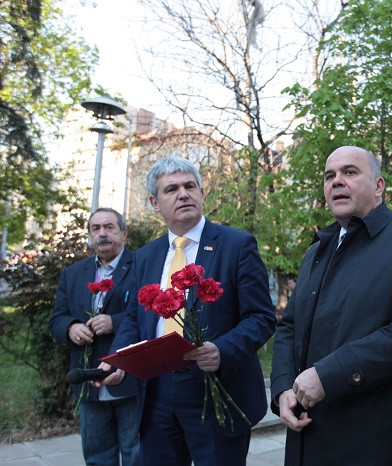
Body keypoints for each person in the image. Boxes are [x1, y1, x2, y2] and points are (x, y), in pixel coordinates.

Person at [96, 156, 276, 465]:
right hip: (157, 394)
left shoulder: (237, 245)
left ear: (202, 194)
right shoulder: (146, 256)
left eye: (190, 186)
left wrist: (222, 350)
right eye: (172, 189)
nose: (183, 194)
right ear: (155, 203)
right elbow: (134, 318)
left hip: (216, 388)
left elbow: (261, 318)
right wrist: (119, 358)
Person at [271, 146, 392, 465]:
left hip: (372, 441)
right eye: (329, 176)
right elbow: (289, 326)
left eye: (349, 172)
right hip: (307, 435)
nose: (336, 181)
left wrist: (328, 376)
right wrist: (281, 389)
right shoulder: (317, 250)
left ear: (378, 186)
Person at [48, 207, 139, 466]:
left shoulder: (142, 266)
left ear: (124, 233)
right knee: (97, 457)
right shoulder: (73, 273)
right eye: (95, 228)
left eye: (109, 227)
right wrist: (70, 328)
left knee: (136, 454)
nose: (102, 233)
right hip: (88, 381)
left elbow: (152, 314)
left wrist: (115, 322)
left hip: (130, 378)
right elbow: (56, 319)